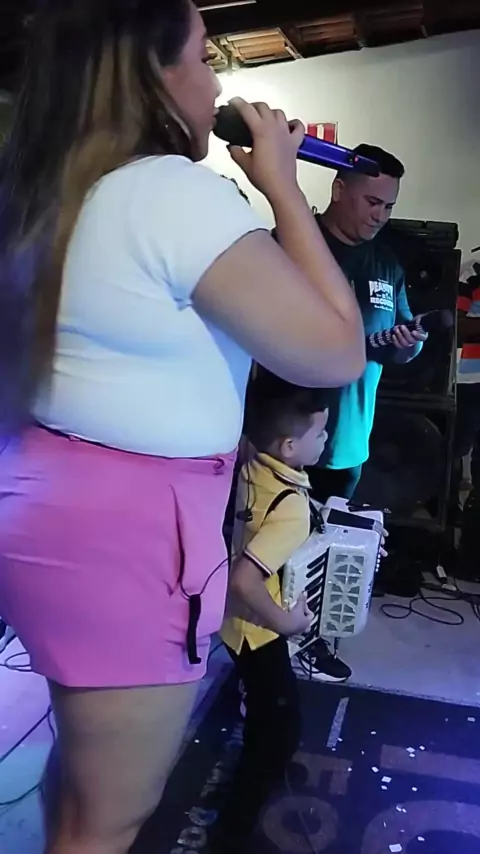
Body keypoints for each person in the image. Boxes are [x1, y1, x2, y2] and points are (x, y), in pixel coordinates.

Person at [0, 2, 366, 853]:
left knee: (82, 788)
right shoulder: (168, 193)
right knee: (109, 818)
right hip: (133, 536)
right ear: (154, 74)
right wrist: (283, 187)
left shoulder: (50, 186)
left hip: (53, 503)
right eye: (205, 57)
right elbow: (336, 350)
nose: (217, 83)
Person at [301, 145, 426, 681]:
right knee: (273, 550)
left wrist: (406, 344)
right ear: (339, 189)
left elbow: (403, 345)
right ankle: (257, 656)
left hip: (349, 439)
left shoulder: (387, 265)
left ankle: (312, 643)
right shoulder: (293, 243)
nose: (380, 215)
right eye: (372, 202)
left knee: (328, 553)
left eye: (389, 206)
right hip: (283, 436)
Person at [209, 373, 329, 854]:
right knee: (281, 729)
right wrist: (288, 622)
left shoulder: (254, 462)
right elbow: (244, 579)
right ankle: (230, 832)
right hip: (260, 630)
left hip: (233, 624)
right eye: (320, 433)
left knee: (264, 708)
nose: (326, 440)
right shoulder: (292, 508)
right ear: (289, 446)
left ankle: (261, 760)